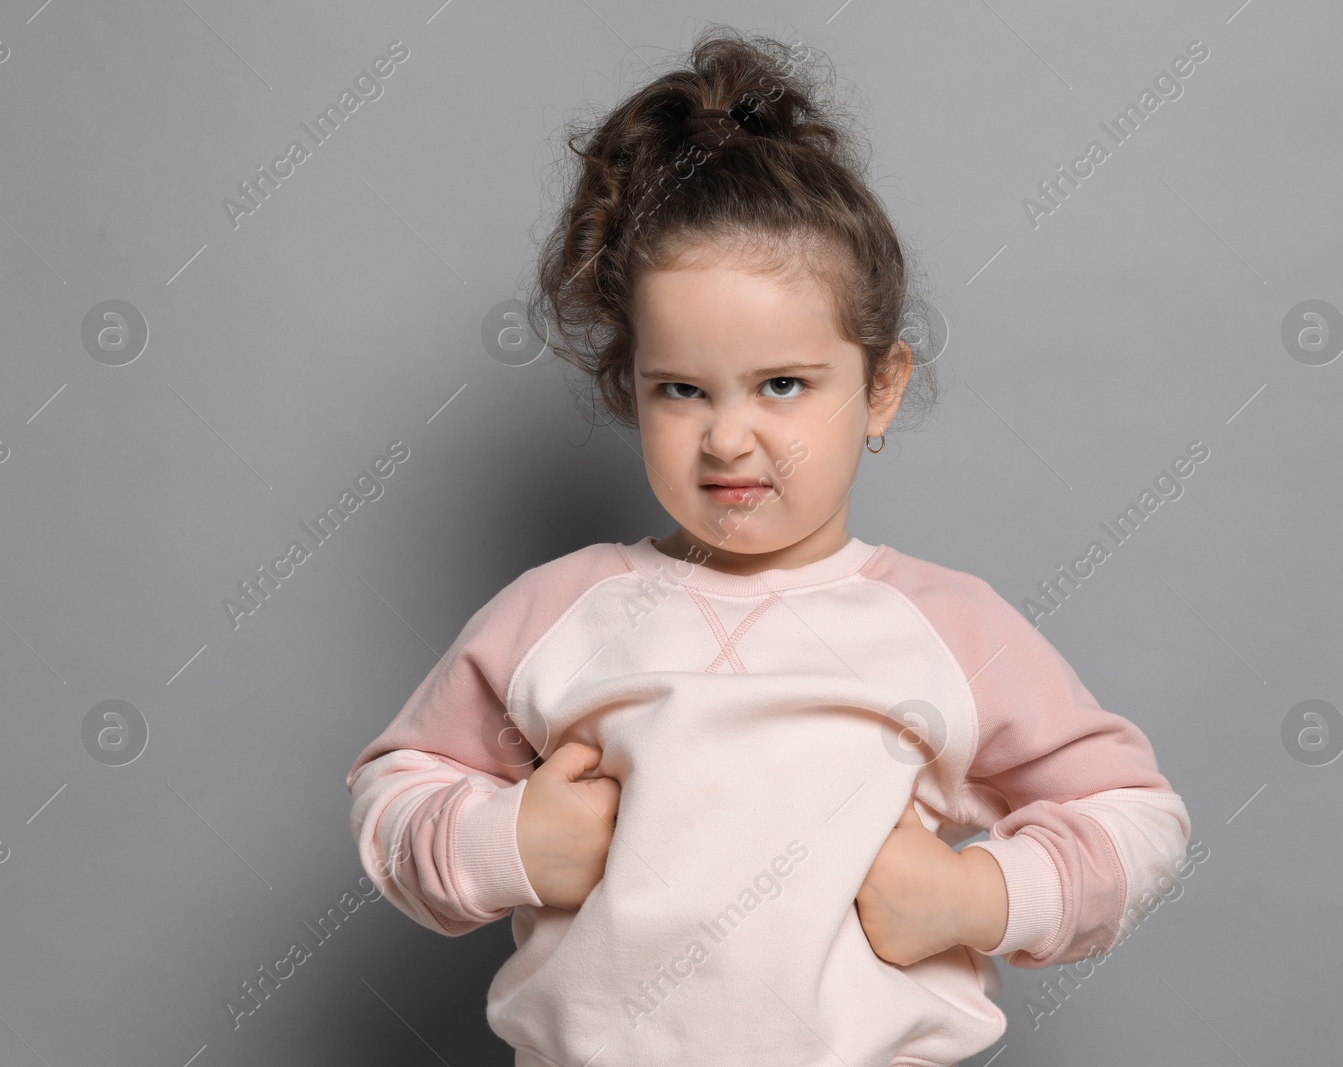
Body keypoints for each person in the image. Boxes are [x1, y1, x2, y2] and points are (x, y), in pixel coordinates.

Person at [346, 25, 1190, 1066]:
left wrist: (981, 892)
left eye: (782, 384)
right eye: (682, 390)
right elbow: (396, 786)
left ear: (879, 386)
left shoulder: (943, 627)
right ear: (631, 388)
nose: (729, 436)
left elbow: (1135, 813)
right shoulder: (561, 611)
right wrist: (504, 841)